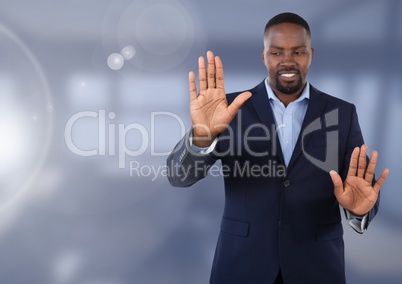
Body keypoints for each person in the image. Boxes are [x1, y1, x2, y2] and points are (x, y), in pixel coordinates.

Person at [167, 12, 389, 284]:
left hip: (317, 266)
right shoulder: (227, 110)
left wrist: (359, 210)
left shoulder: (341, 112)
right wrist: (202, 136)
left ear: (311, 54)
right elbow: (178, 176)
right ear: (263, 56)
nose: (287, 60)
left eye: (298, 51)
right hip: (242, 264)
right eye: (276, 52)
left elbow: (359, 183)